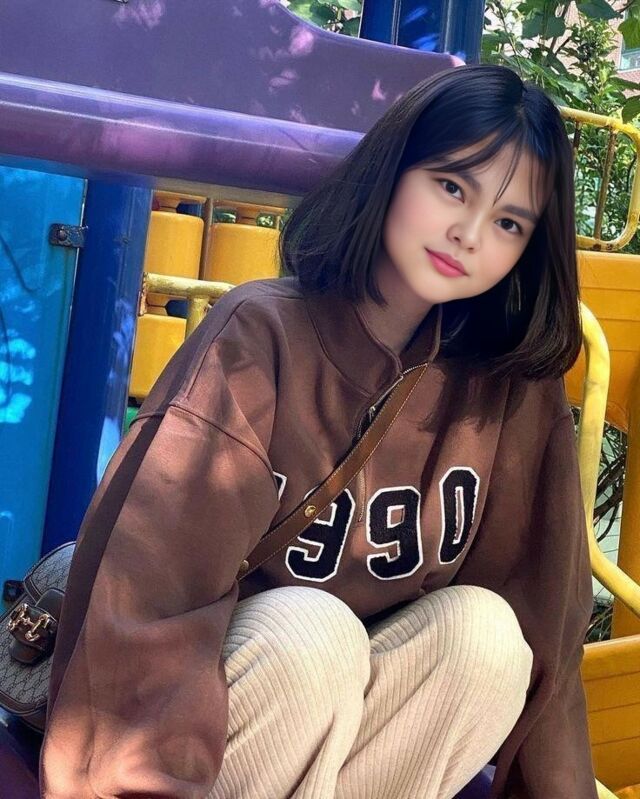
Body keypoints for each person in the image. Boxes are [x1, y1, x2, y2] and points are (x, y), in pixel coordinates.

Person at [40, 64, 597, 799]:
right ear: (394, 170)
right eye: (452, 187)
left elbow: (547, 633)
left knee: (488, 638)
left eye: (508, 223)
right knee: (313, 635)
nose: (468, 234)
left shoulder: (509, 387)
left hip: (364, 737)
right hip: (220, 710)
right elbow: (149, 600)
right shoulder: (260, 336)